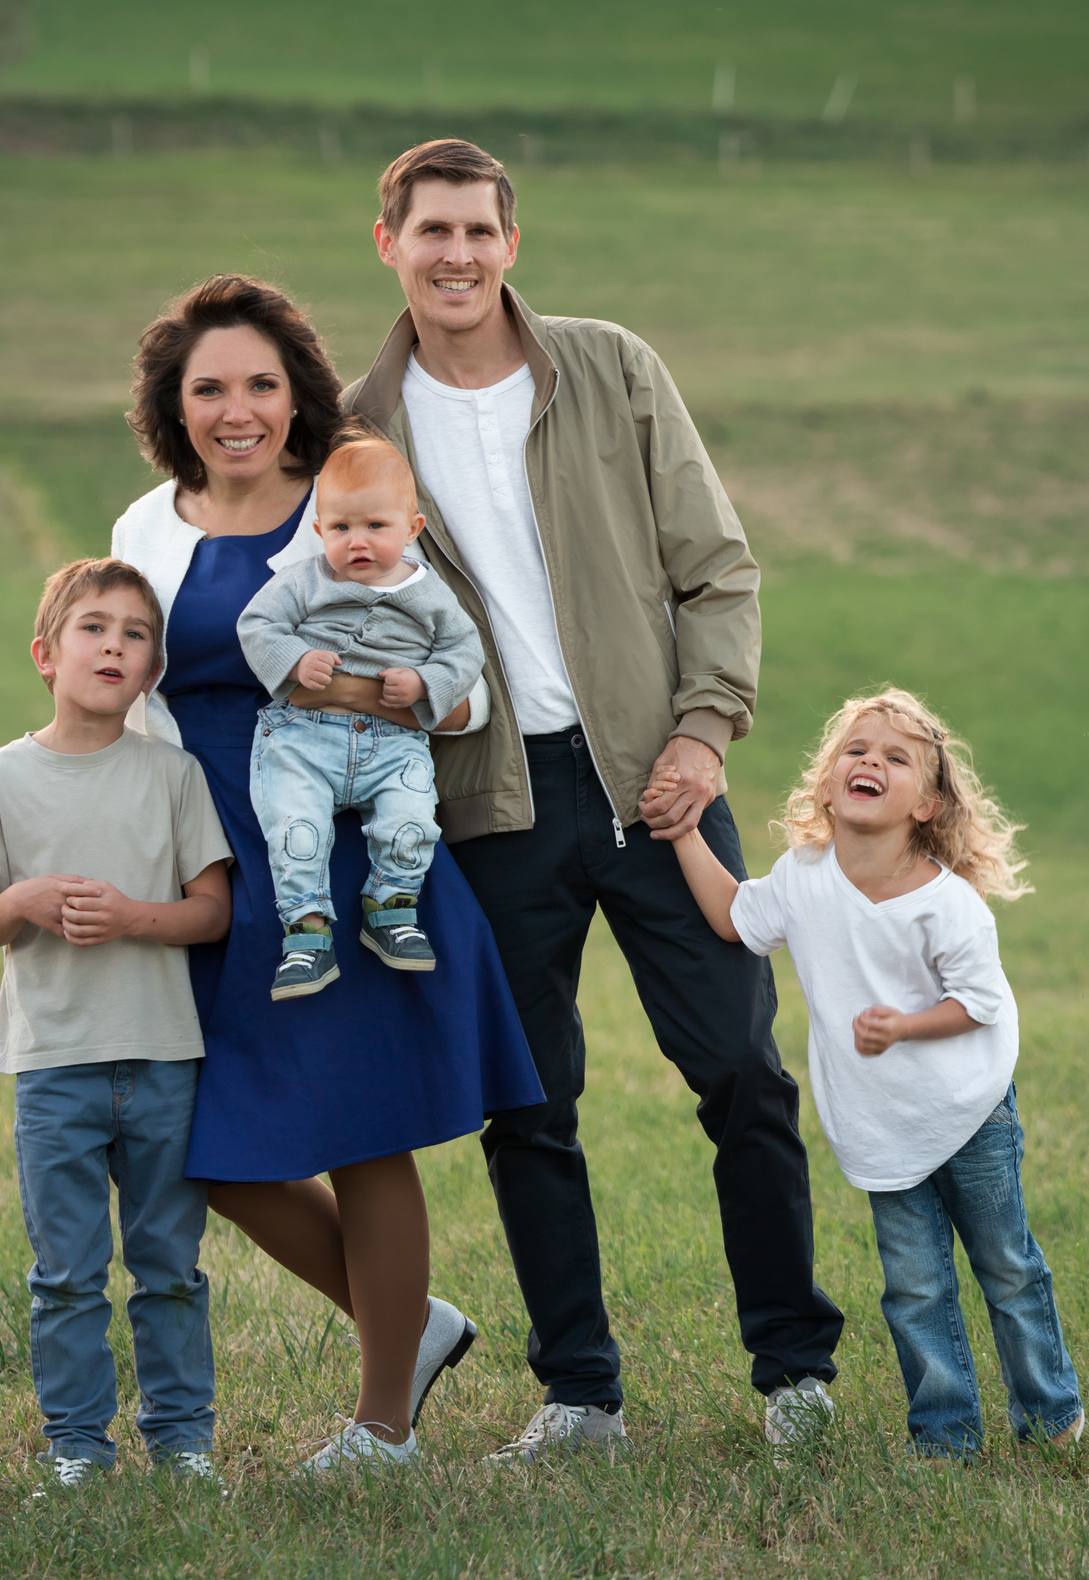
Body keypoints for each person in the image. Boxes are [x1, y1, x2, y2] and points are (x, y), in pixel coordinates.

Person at [339, 139, 844, 1460]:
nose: (457, 255)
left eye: (478, 230)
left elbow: (716, 567)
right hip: (487, 805)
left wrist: (704, 732)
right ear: (388, 242)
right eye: (432, 230)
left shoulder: (610, 366)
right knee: (527, 1104)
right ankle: (579, 1394)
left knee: (741, 1068)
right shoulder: (356, 429)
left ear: (511, 243)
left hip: (653, 781)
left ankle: (795, 1369)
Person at [109, 275, 542, 1472]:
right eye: (209, 388)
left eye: (260, 383)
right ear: (174, 405)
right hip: (208, 859)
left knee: (362, 1131)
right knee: (193, 1141)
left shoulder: (348, 506)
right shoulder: (144, 529)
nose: (236, 410)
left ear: (295, 392)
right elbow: (127, 696)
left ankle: (383, 1423)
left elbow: (462, 686)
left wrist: (361, 693)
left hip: (342, 853)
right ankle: (413, 1325)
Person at [662, 688, 1085, 1460]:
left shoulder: (947, 903)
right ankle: (945, 1435)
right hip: (883, 1128)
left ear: (926, 803)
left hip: (969, 1110)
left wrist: (904, 1026)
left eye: (896, 757)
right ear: (827, 784)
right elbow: (733, 916)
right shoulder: (804, 876)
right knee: (915, 1288)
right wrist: (686, 831)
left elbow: (981, 1002)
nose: (871, 762)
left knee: (1007, 1266)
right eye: (856, 750)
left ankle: (1050, 1412)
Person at [0, 558, 237, 1489]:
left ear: (152, 669)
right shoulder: (1, 777)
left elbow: (212, 912)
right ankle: (77, 1446)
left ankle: (183, 1442)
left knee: (169, 1267)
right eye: (93, 628)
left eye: (135, 634)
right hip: (54, 1065)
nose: (114, 646)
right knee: (66, 1272)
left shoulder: (173, 775)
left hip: (163, 1059)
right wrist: (24, 899)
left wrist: (132, 916)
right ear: (46, 654)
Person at [237, 430, 484, 997]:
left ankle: (391, 908)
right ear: (320, 531)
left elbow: (464, 651)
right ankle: (306, 934)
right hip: (302, 737)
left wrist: (424, 682)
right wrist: (296, 660)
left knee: (412, 820)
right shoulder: (304, 581)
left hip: (393, 741)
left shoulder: (430, 593)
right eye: (341, 528)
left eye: (376, 526)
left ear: (412, 528)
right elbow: (257, 625)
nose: (358, 542)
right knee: (295, 828)